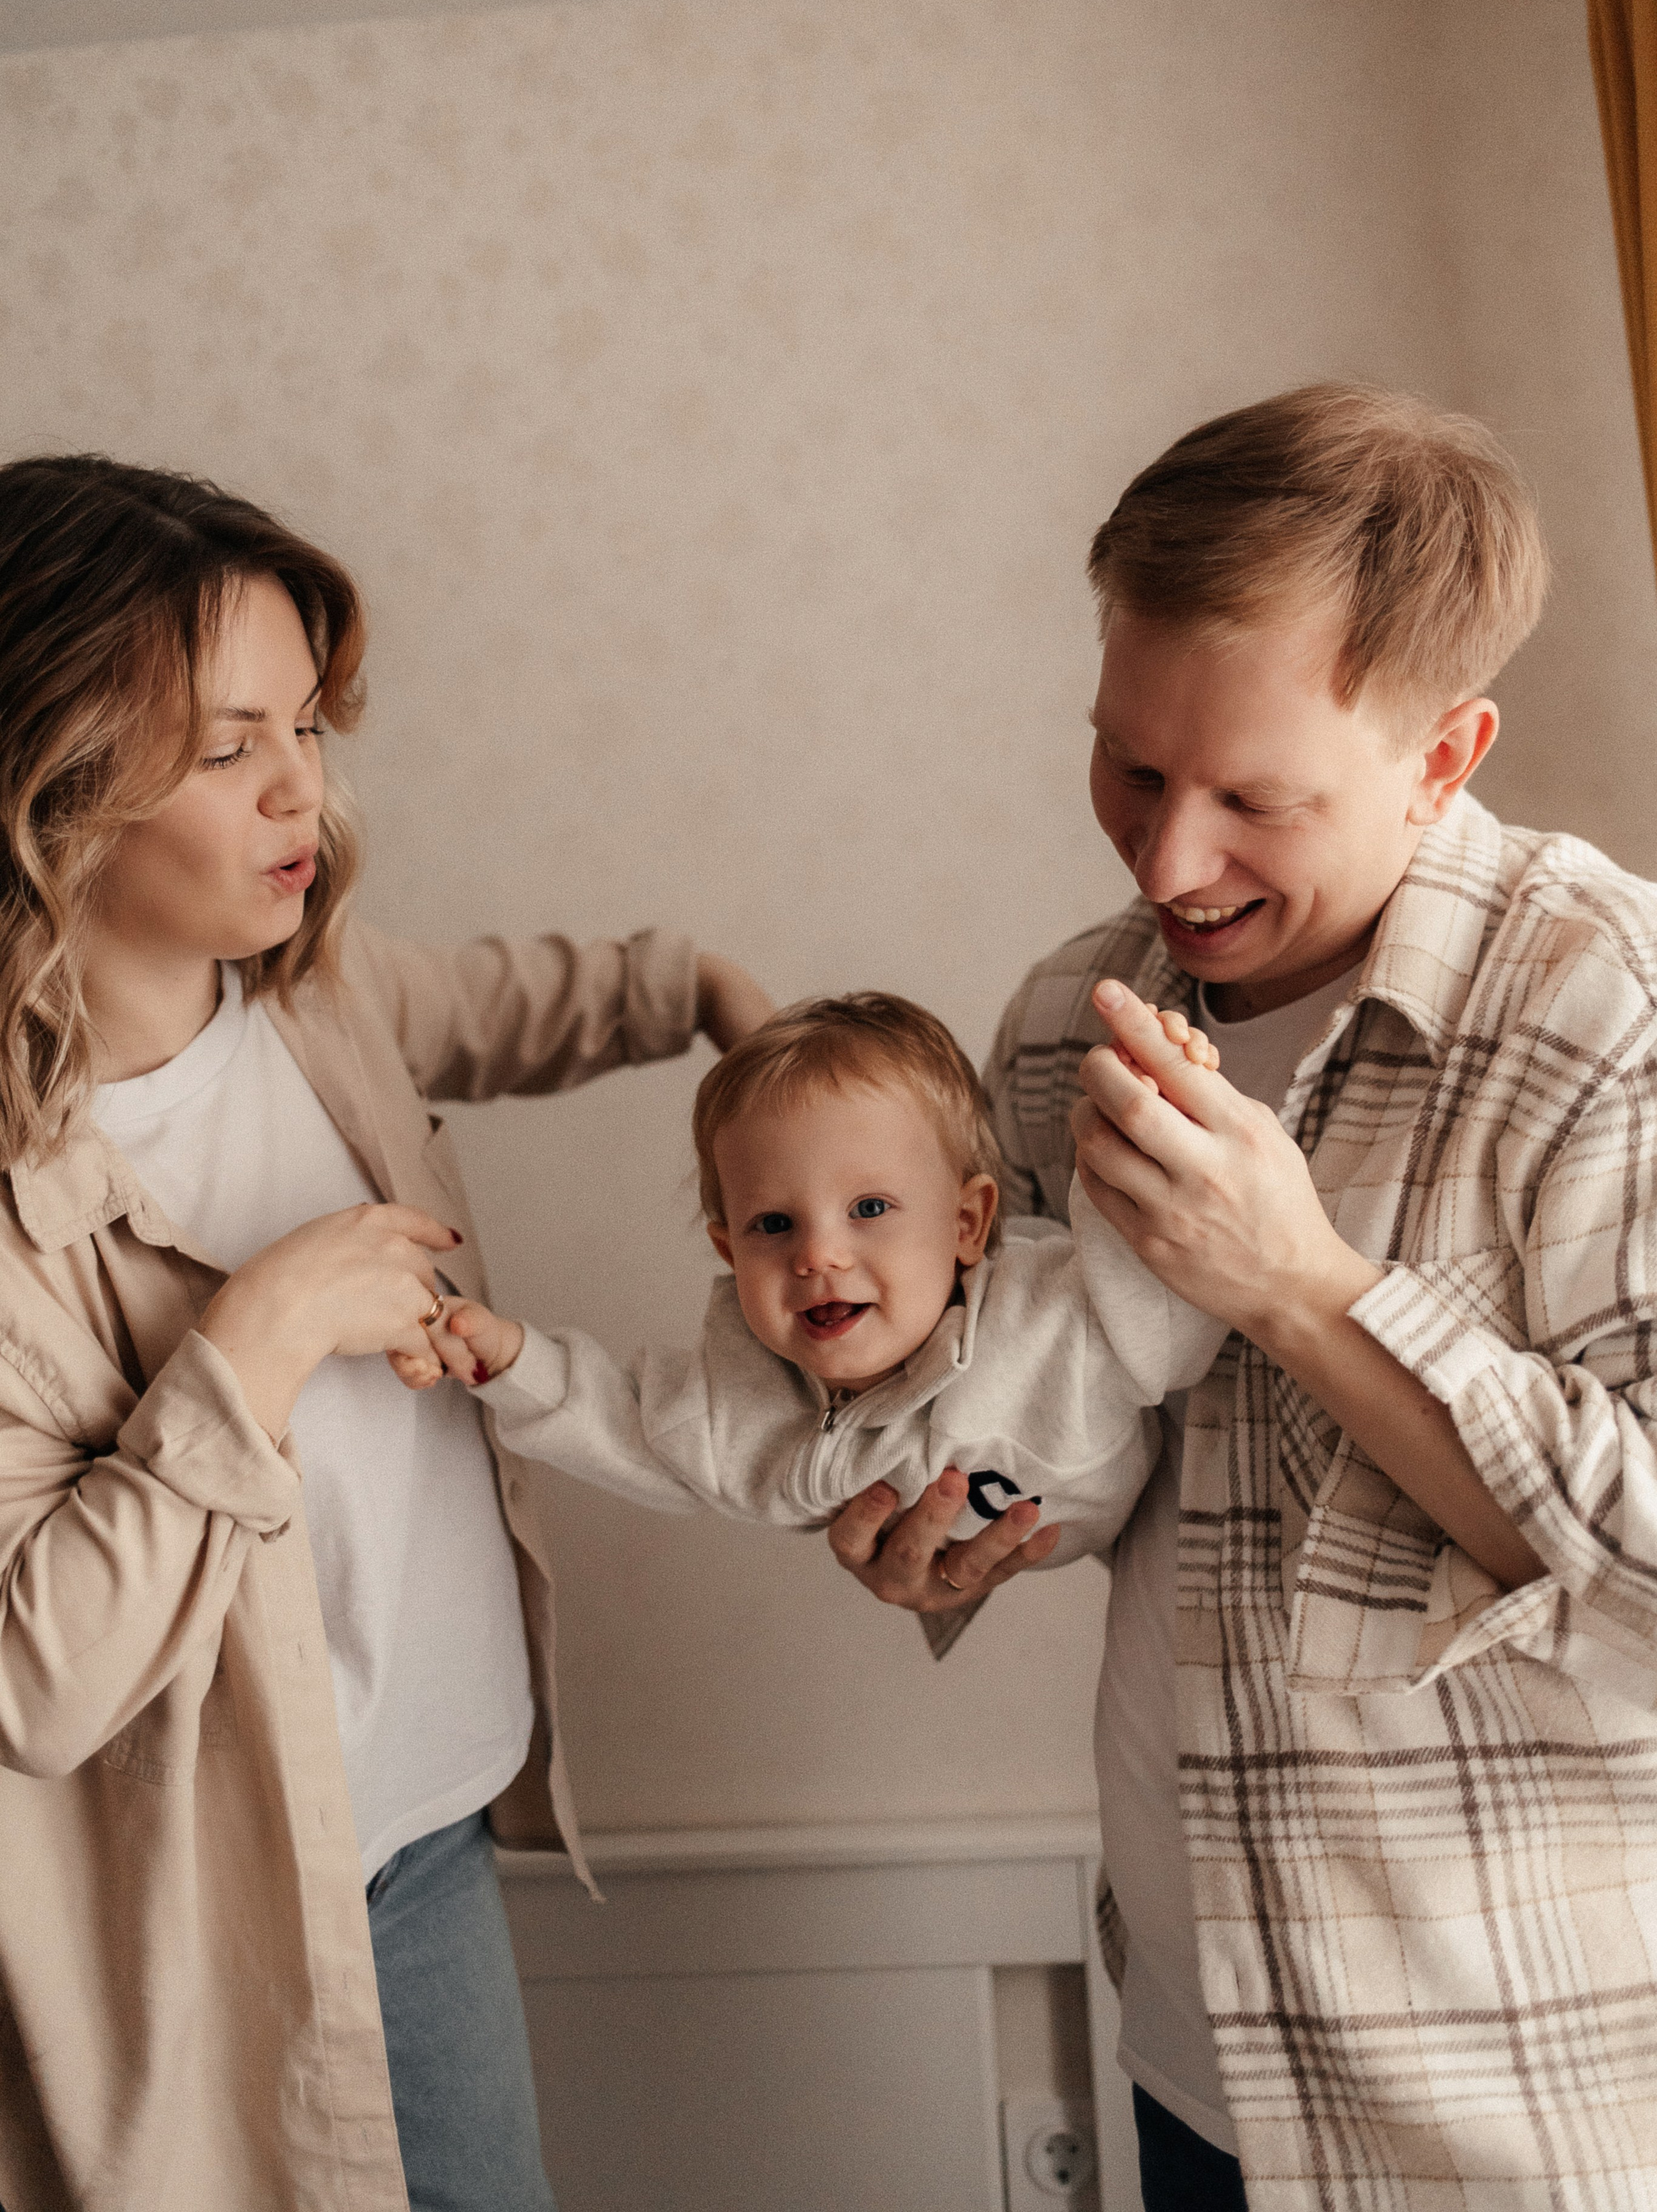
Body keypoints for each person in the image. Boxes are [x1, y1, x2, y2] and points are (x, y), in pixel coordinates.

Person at [827, 383, 1657, 2207]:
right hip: (1191, 2052)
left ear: (1447, 755)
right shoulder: (1066, 1020)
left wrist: (1299, 1292)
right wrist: (953, 1523)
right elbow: (1078, 1455)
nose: (1167, 860)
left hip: (1502, 2111)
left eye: (1254, 800)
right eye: (1132, 765)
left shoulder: (1611, 1017)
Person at [0, 453, 771, 2212]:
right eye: (229, 748)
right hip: (207, 1910)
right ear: (48, 791)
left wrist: (727, 1005)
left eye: (310, 729)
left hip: (427, 1826)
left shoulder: (326, 1004)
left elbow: (524, 1001)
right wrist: (251, 1347)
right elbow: (33, 1675)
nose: (305, 796)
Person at [394, 990, 1227, 1548]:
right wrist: (510, 1360)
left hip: (1170, 1522)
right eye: (772, 1225)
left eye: (869, 1209)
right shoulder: (746, 1412)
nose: (816, 1256)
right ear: (728, 1250)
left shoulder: (1055, 1320)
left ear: (967, 1223)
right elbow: (629, 1428)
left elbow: (1174, 1308)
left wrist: (1162, 1107)